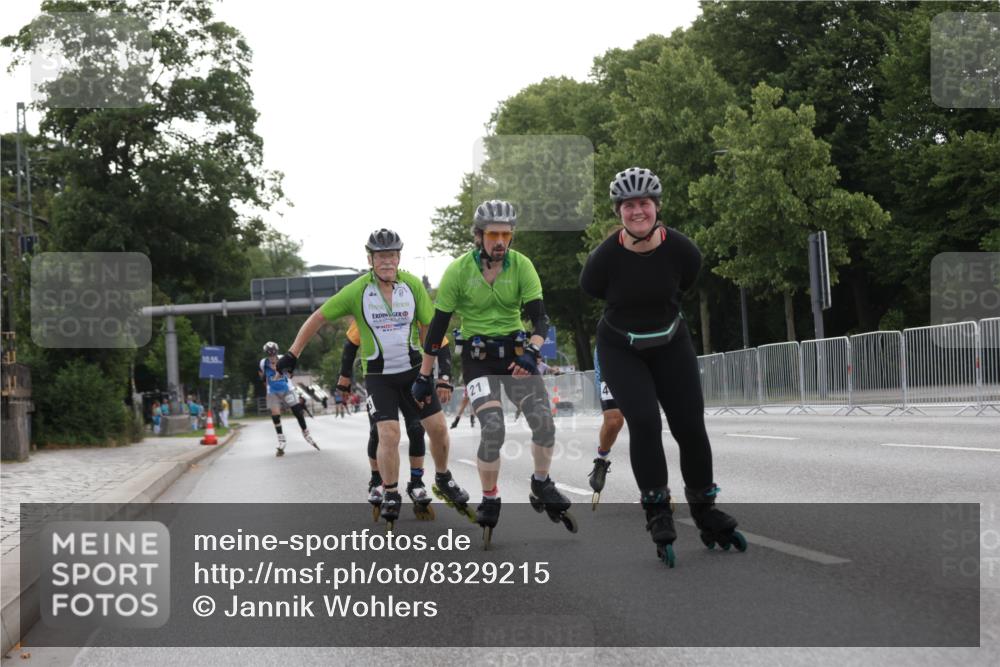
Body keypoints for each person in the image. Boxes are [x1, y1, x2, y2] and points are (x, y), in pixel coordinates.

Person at [580, 167, 746, 567]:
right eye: (629, 206)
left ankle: (705, 509)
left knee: (690, 424)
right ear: (619, 211)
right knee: (645, 423)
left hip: (671, 342)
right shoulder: (603, 260)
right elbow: (592, 290)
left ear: (656, 207)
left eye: (644, 204)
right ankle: (657, 510)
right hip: (622, 348)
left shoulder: (682, 250)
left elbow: (686, 281)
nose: (638, 212)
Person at [276, 229, 472, 529]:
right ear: (370, 259)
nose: (386, 262)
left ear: (398, 258)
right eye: (380, 257)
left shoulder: (412, 286)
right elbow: (318, 318)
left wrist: (439, 375)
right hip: (380, 377)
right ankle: (391, 491)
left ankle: (443, 478)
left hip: (413, 372)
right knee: (389, 434)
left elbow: (430, 333)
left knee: (437, 427)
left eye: (391, 256)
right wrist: (292, 353)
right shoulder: (357, 291)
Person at [412, 200, 576, 548]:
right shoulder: (458, 271)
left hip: (517, 355)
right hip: (479, 360)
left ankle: (541, 482)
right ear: (479, 236)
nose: (500, 241)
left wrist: (532, 353)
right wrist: (426, 376)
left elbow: (540, 319)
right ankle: (489, 496)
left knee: (544, 423)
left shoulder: (522, 266)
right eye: (493, 234)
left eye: (506, 234)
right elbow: (437, 329)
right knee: (493, 428)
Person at [339, 320, 453, 521]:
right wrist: (345, 378)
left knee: (416, 428)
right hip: (379, 379)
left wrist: (444, 375)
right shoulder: (369, 306)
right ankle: (376, 480)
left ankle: (416, 483)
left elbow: (440, 341)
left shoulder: (412, 303)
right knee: (380, 432)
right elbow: (350, 345)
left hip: (411, 376)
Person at [259, 341, 319, 457]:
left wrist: (287, 372)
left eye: (273, 354)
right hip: (273, 392)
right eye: (269, 354)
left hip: (287, 389)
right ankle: (281, 440)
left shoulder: (282, 359)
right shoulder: (263, 363)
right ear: (266, 354)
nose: (272, 357)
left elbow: (292, 371)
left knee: (297, 411)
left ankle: (306, 433)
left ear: (276, 353)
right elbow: (263, 378)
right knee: (275, 415)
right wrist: (267, 389)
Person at [587, 344, 625, 509]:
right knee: (613, 421)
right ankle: (602, 460)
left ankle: (655, 487)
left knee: (644, 420)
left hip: (648, 345)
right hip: (612, 346)